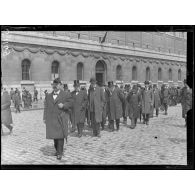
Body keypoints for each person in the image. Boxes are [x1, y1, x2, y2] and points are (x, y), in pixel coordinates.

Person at [43, 78, 73, 160]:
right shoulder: (48, 96)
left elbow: (71, 103)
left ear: (60, 85)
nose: (55, 87)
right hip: (52, 119)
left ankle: (60, 152)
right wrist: (44, 118)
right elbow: (46, 107)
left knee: (60, 136)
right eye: (54, 85)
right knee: (54, 136)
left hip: (61, 118)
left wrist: (64, 105)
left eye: (57, 85)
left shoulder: (65, 94)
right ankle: (57, 150)